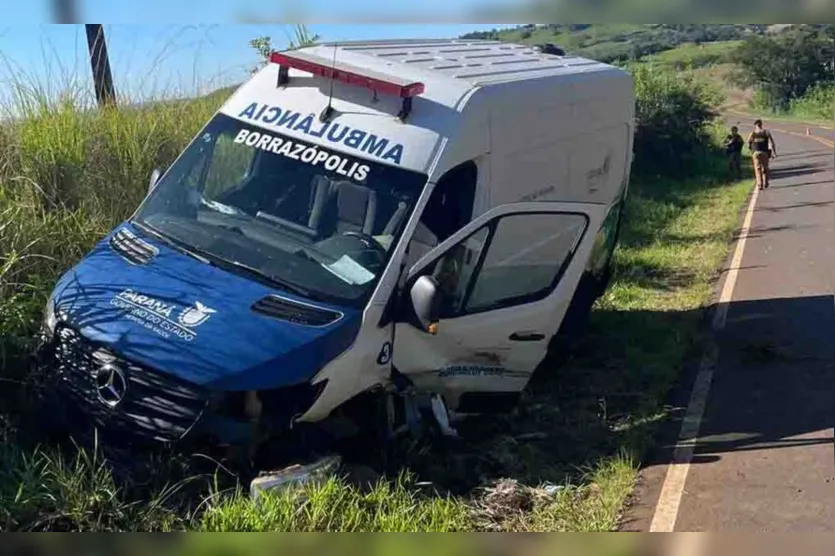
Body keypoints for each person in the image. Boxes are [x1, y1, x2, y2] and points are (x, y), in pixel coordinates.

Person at [747, 119, 777, 190]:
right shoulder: (766, 132)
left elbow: (748, 142)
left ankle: (760, 184)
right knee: (765, 168)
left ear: (755, 125)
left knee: (758, 169)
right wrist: (774, 152)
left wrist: (751, 150)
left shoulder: (753, 133)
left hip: (756, 153)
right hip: (764, 152)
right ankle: (766, 182)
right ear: (761, 124)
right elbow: (772, 143)